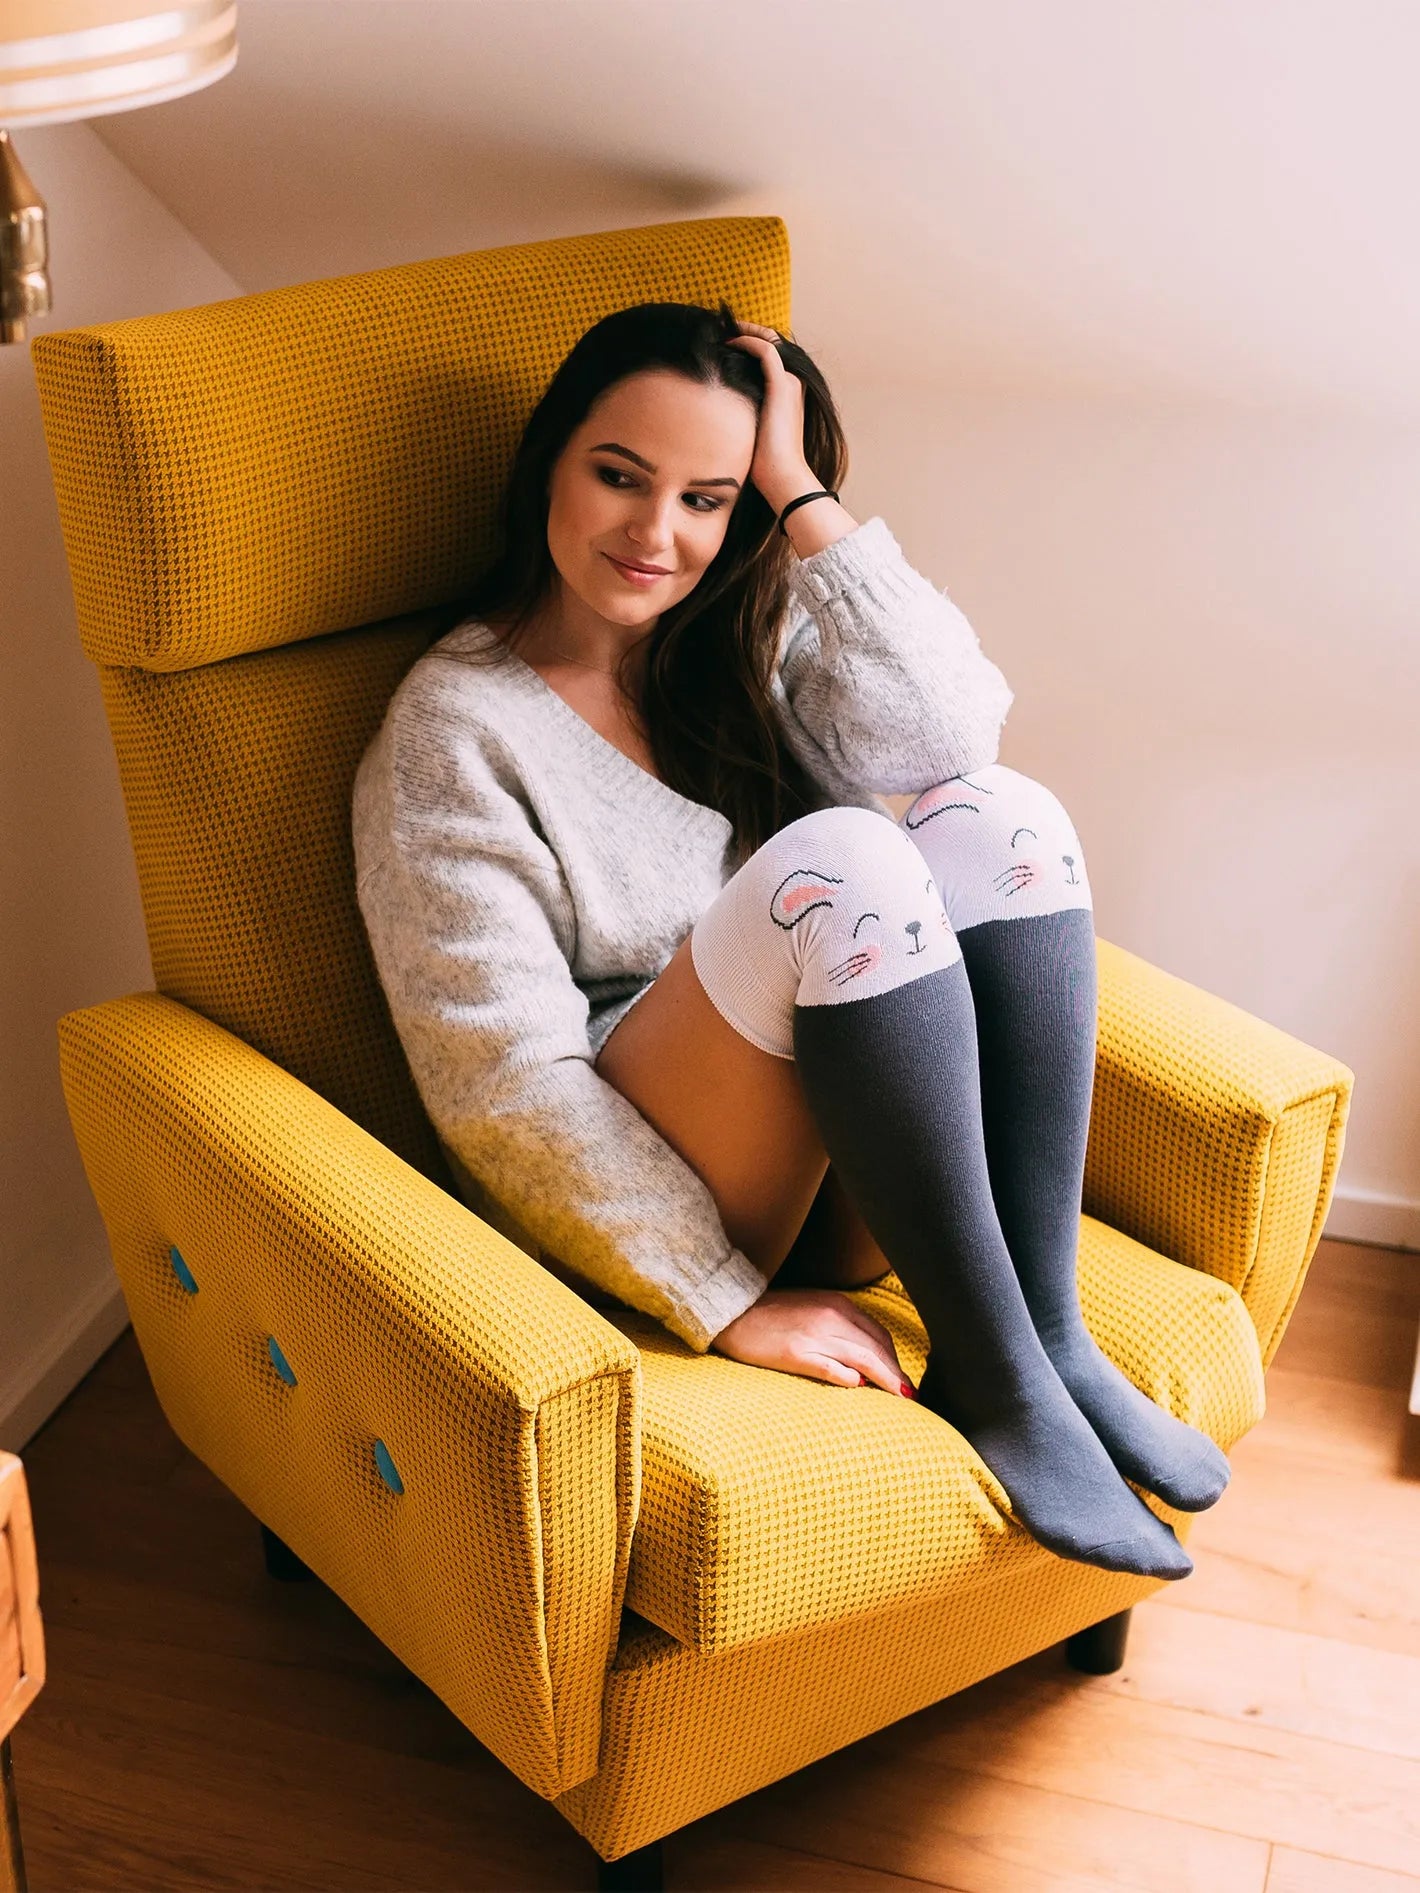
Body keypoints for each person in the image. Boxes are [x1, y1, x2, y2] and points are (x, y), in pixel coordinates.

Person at [352, 299, 1229, 1581]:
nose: (656, 535)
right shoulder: (452, 730)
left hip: (873, 1159)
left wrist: (800, 491)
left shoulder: (742, 646)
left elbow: (952, 735)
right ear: (548, 462)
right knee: (843, 861)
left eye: (706, 498)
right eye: (618, 476)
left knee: (999, 813)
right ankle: (994, 1377)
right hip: (652, 1199)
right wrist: (725, 1299)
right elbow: (497, 1083)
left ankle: (1044, 1336)